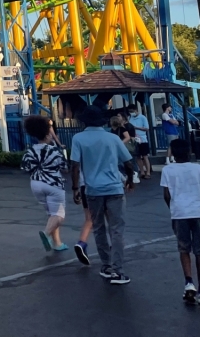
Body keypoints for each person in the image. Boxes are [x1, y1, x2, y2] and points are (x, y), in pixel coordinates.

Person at [70, 105, 136, 285]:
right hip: (114, 188)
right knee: (117, 230)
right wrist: (129, 180)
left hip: (92, 190)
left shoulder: (78, 138)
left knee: (98, 228)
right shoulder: (112, 138)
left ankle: (106, 266)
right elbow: (128, 162)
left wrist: (75, 188)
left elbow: (75, 165)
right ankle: (118, 270)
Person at [21, 115, 69, 252]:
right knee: (59, 215)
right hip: (54, 184)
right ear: (48, 134)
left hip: (36, 184)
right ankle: (46, 233)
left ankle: (57, 243)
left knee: (52, 214)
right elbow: (65, 168)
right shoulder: (54, 151)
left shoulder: (30, 151)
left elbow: (25, 168)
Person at [160, 139, 200, 304]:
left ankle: (189, 283)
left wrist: (173, 208)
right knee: (199, 250)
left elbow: (166, 195)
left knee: (184, 248)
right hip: (198, 211)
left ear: (173, 153)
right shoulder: (198, 168)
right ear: (189, 151)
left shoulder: (168, 170)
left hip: (179, 213)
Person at [128, 106, 152, 179]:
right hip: (134, 139)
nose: (131, 113)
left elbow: (147, 128)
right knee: (137, 156)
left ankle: (148, 172)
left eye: (132, 111)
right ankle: (141, 171)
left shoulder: (142, 118)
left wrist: (136, 127)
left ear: (136, 110)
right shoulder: (130, 118)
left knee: (145, 156)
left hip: (142, 139)